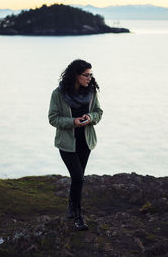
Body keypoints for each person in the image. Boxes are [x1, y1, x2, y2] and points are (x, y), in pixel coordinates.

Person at [48, 59, 103, 231]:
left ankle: (72, 205)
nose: (90, 78)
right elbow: (53, 118)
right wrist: (73, 122)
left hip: (85, 143)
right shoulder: (58, 94)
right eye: (86, 75)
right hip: (67, 145)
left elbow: (98, 113)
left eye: (91, 74)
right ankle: (78, 217)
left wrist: (90, 118)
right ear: (76, 75)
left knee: (77, 180)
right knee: (78, 178)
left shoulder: (92, 92)